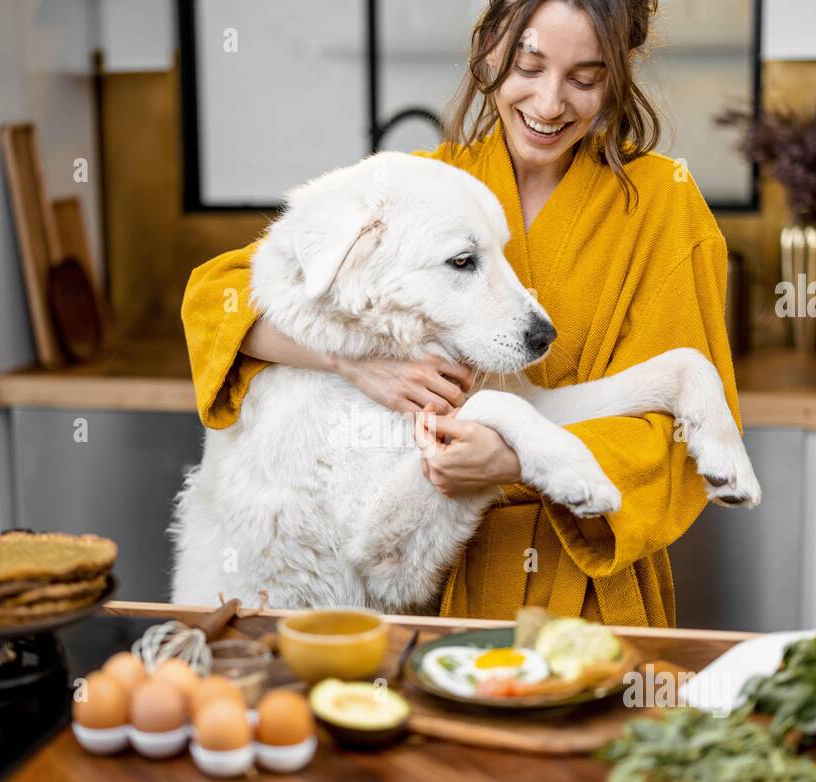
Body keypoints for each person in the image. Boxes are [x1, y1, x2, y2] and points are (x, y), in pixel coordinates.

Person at [179, 0, 740, 626]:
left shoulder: (666, 205)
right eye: (529, 66)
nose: (551, 104)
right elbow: (220, 296)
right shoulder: (433, 182)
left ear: (618, 73)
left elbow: (668, 445)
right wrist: (353, 362)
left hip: (587, 592)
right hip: (441, 588)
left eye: (585, 78)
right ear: (491, 47)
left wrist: (509, 458)